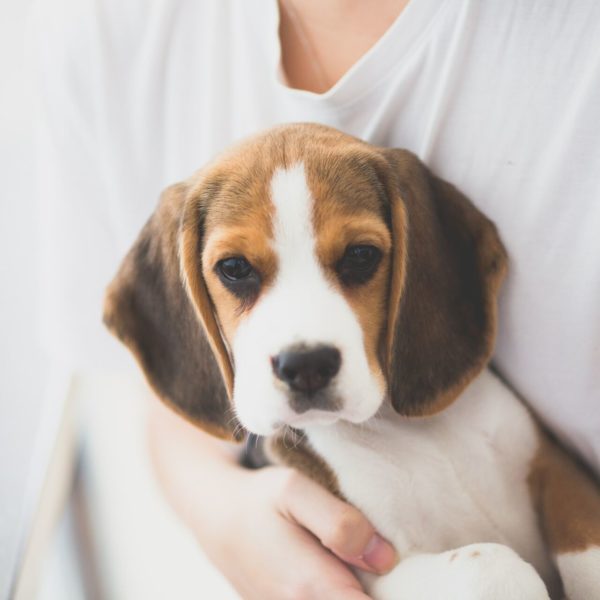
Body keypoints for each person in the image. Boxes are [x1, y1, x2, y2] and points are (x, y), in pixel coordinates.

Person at [34, 0, 600, 598]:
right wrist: (223, 513)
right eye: (236, 271)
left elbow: (554, 485)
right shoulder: (107, 32)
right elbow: (160, 396)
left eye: (358, 259)